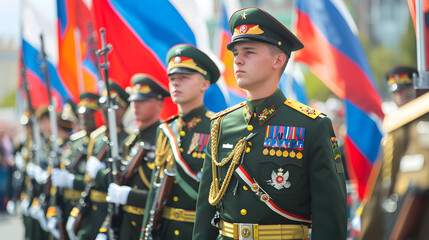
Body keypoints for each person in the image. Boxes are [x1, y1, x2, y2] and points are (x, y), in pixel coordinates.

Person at [193, 7, 347, 240]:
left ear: (278, 60)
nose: (238, 60)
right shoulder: (221, 125)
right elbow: (206, 211)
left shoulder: (312, 126)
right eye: (235, 53)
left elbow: (330, 218)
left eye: (249, 52)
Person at [140, 43, 220, 240]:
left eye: (184, 78)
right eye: (172, 78)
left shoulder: (217, 127)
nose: (175, 83)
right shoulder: (166, 130)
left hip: (197, 232)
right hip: (163, 230)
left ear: (204, 84)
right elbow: (155, 188)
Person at [95, 74, 169, 240]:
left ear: (159, 104)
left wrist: (129, 196)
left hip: (149, 226)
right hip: (125, 227)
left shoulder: (165, 138)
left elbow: (166, 195)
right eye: (134, 100)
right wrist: (105, 228)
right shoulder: (131, 141)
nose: (135, 105)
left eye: (142, 100)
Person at [360, 67, 429, 239]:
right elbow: (384, 188)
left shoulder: (414, 128)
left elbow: (416, 190)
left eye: (405, 91)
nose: (399, 97)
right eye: (396, 93)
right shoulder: (398, 128)